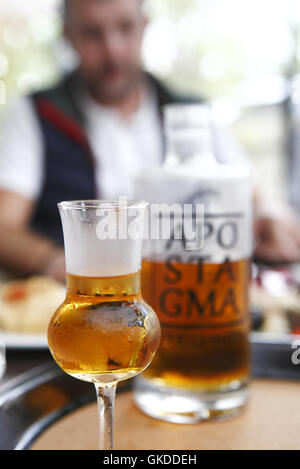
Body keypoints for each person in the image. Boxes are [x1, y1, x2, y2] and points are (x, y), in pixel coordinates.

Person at [0, 0, 299, 283]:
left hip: (185, 297)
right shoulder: (36, 115)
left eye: (125, 28)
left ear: (144, 26)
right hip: (78, 310)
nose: (112, 50)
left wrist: (271, 215)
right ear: (69, 36)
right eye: (93, 33)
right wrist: (63, 266)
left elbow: (257, 201)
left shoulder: (193, 115)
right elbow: (4, 227)